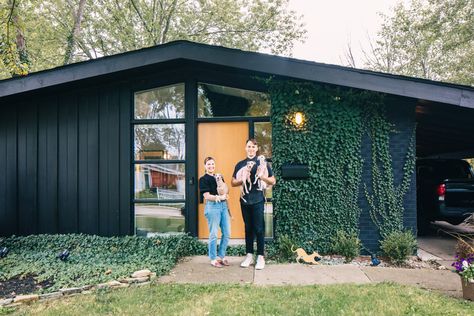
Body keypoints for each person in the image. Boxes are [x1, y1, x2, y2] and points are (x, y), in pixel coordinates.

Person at [232, 139, 275, 270]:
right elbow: (233, 182)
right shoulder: (240, 164)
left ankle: (261, 256)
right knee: (248, 228)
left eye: (253, 146)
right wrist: (242, 179)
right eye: (249, 146)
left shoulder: (262, 163)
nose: (251, 149)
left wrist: (261, 177)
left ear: (257, 149)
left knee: (259, 229)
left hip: (257, 200)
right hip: (244, 200)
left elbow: (273, 181)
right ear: (245, 148)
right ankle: (249, 255)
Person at [199, 157, 231, 268]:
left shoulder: (219, 176)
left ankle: (221, 256)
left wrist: (225, 194)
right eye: (208, 164)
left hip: (223, 206)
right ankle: (213, 259)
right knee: (213, 234)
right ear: (205, 166)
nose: (211, 166)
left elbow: (224, 188)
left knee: (227, 233)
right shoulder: (203, 179)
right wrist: (219, 197)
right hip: (212, 207)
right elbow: (206, 196)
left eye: (212, 164)